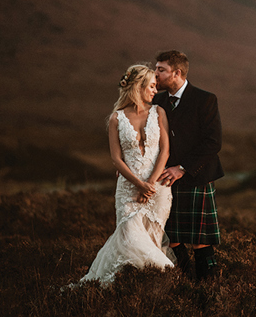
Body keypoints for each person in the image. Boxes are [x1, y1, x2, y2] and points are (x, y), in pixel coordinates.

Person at [79, 64, 174, 284]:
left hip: (158, 190)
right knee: (129, 237)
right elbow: (116, 159)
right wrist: (139, 185)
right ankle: (119, 283)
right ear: (138, 87)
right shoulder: (116, 118)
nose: (154, 90)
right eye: (151, 86)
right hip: (129, 189)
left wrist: (150, 184)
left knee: (152, 239)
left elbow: (165, 150)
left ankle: (144, 287)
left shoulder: (159, 112)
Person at [153, 50, 224, 281]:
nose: (155, 75)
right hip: (166, 178)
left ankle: (208, 288)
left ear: (177, 73)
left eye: (161, 70)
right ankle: (185, 282)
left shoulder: (205, 99)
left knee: (200, 239)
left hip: (197, 175)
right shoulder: (157, 100)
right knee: (170, 236)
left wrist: (182, 168)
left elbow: (213, 142)